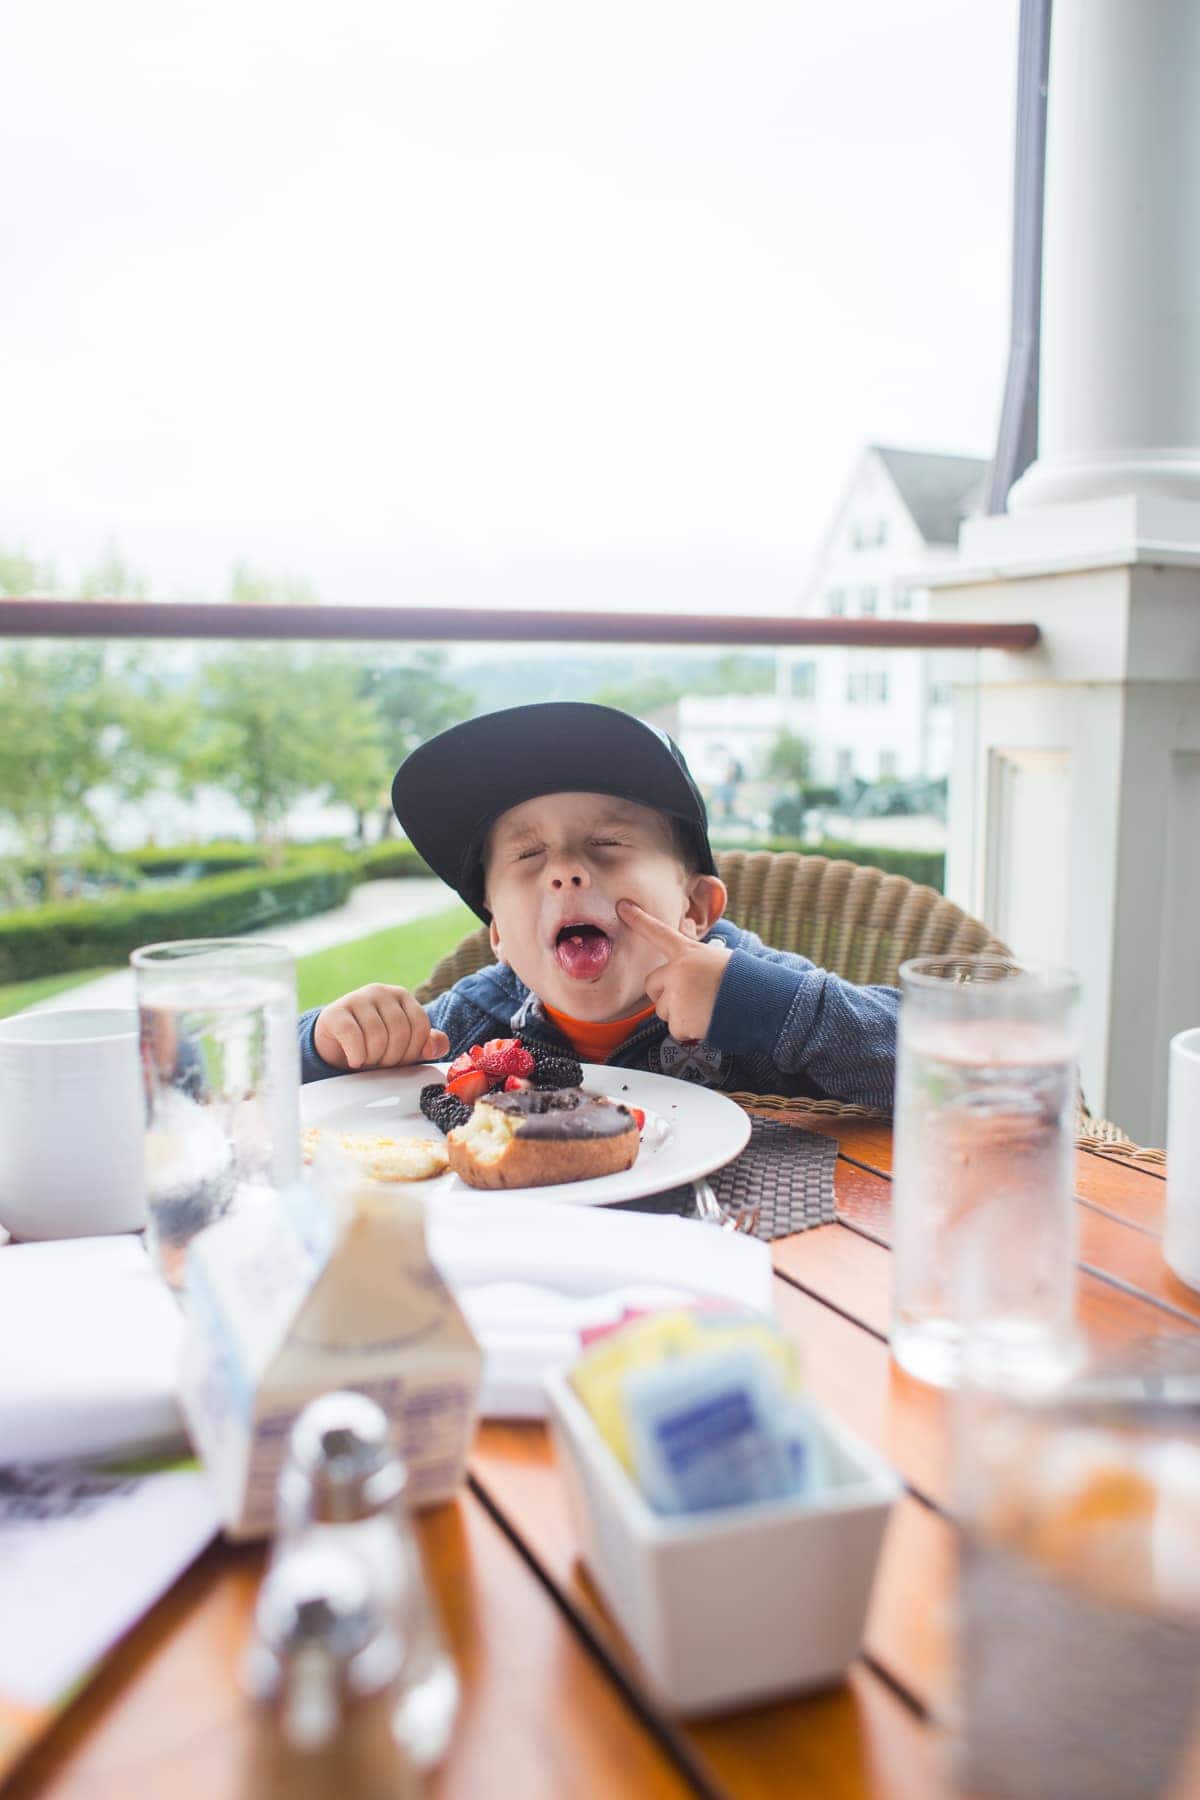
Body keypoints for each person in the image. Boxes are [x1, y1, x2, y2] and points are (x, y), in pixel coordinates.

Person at [297, 703, 897, 1105]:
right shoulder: (480, 1020)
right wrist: (330, 1043)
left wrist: (767, 1005)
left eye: (608, 843)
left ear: (694, 908)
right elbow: (267, 1089)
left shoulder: (751, 993)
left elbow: (934, 1065)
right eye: (528, 854)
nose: (565, 871)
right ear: (497, 933)